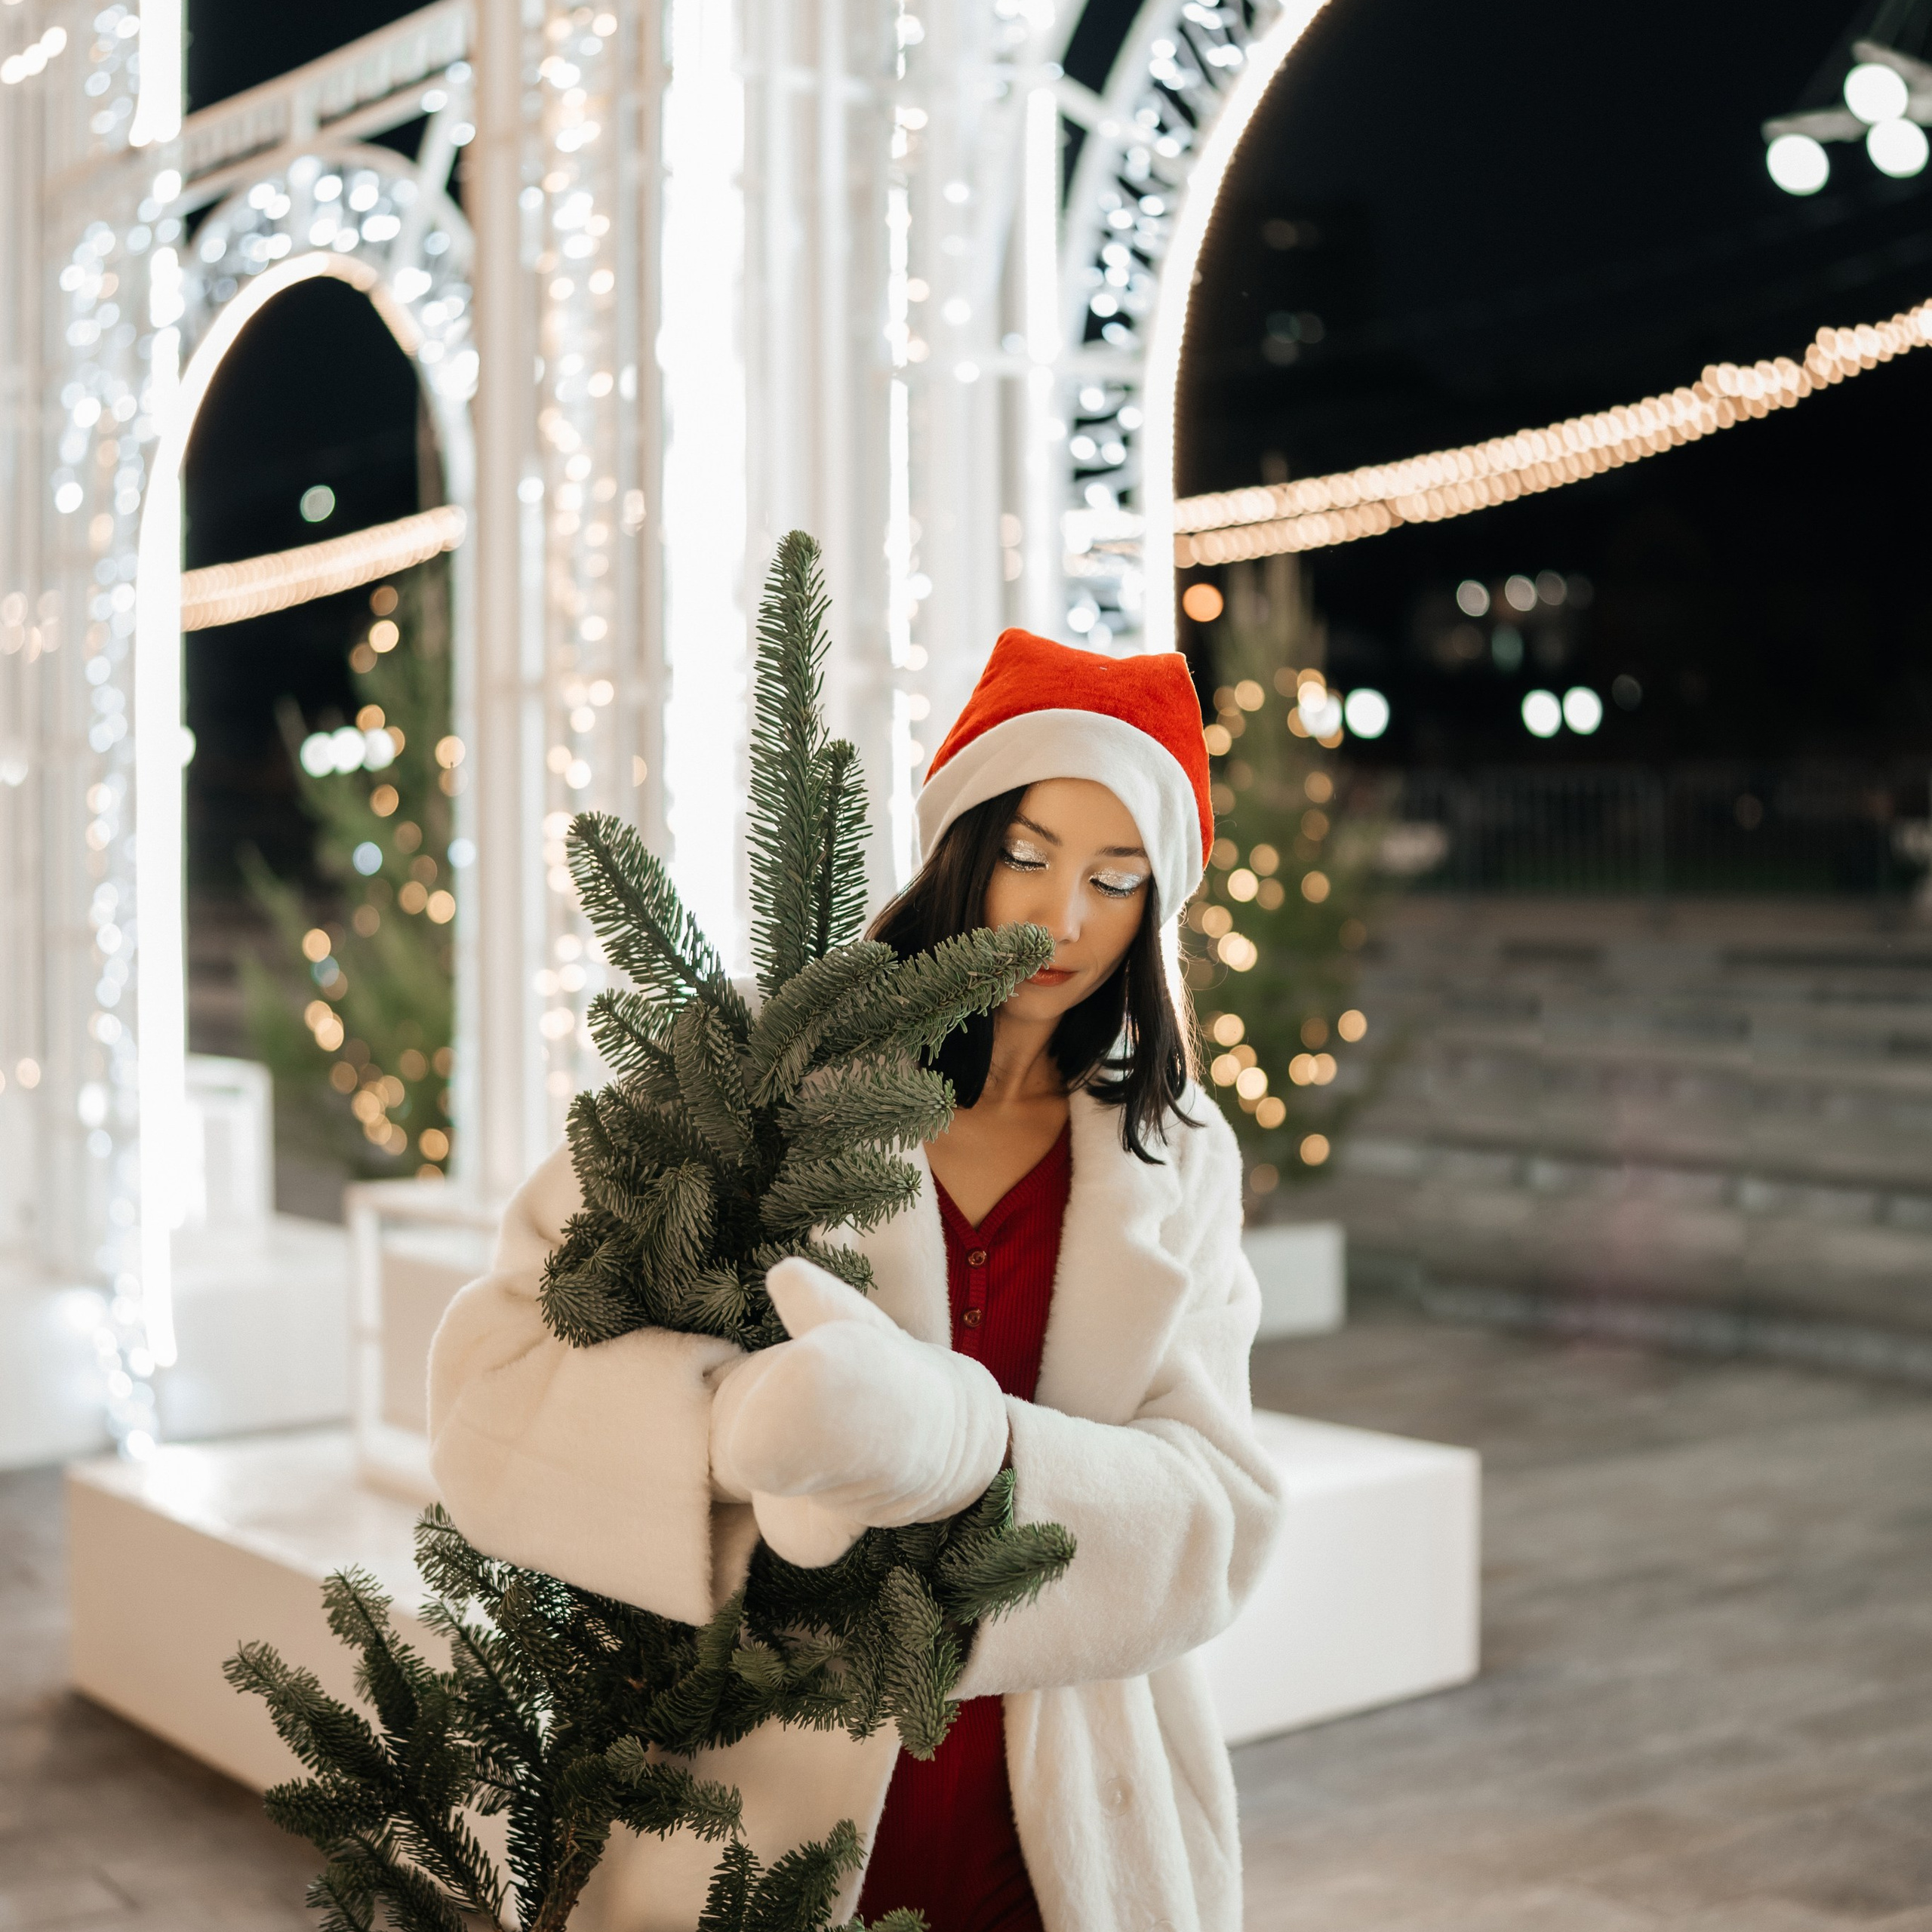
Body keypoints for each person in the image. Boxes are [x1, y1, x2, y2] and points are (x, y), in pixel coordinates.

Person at [427, 629, 1284, 1932]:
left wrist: (957, 1450)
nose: (1062, 921)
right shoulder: (763, 1070)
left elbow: (1217, 1511)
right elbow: (500, 1372)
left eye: (1117, 880)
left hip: (1059, 1825)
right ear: (961, 845)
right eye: (1028, 855)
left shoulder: (1181, 1157)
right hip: (755, 1805)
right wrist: (746, 1432)